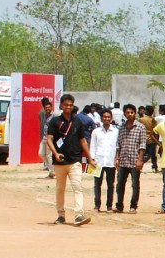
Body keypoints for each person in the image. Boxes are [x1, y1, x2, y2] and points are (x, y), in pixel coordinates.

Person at [46, 93, 95, 226]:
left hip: (75, 160)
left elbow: (83, 140)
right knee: (60, 188)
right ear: (61, 106)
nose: (68, 107)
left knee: (77, 186)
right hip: (60, 162)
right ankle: (61, 215)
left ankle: (79, 215)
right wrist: (55, 154)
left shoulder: (77, 121)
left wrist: (90, 158)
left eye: (71, 105)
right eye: (66, 104)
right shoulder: (55, 121)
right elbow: (49, 140)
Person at [114, 104, 146, 214]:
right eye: (127, 112)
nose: (130, 114)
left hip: (134, 160)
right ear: (124, 114)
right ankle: (119, 205)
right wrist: (117, 158)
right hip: (123, 159)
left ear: (135, 113)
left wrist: (140, 160)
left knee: (135, 184)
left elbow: (142, 145)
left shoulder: (140, 127)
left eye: (132, 112)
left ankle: (133, 206)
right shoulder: (121, 127)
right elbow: (119, 144)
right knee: (120, 184)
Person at [90, 108, 119, 213]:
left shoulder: (116, 131)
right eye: (105, 117)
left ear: (111, 118)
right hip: (97, 161)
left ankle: (109, 206)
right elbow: (92, 146)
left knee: (110, 185)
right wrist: (91, 160)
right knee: (97, 184)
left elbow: (117, 147)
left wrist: (117, 159)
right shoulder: (96, 131)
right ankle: (97, 205)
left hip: (110, 162)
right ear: (101, 118)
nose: (107, 119)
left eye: (108, 117)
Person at [139, 107, 159, 173]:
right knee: (153, 155)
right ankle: (154, 167)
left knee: (143, 154)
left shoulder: (141, 119)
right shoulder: (153, 120)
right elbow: (156, 129)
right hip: (151, 139)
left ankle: (141, 165)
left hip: (143, 138)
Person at [38, 97, 55, 178]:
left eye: (49, 107)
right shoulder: (43, 114)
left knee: (48, 155)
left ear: (51, 107)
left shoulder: (54, 116)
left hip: (50, 139)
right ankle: (51, 168)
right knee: (41, 153)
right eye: (46, 107)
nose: (47, 109)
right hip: (44, 138)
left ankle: (52, 172)